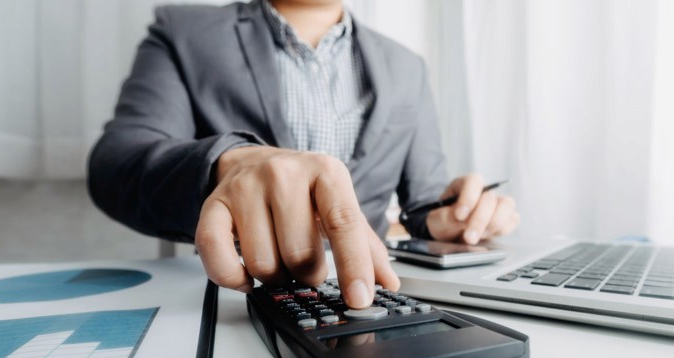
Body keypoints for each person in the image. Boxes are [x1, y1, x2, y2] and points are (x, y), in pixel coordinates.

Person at [88, 0, 519, 309]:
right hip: (235, 297)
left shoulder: (408, 66)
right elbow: (117, 163)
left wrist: (456, 215)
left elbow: (422, 206)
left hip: (373, 299)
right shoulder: (183, 31)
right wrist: (231, 160)